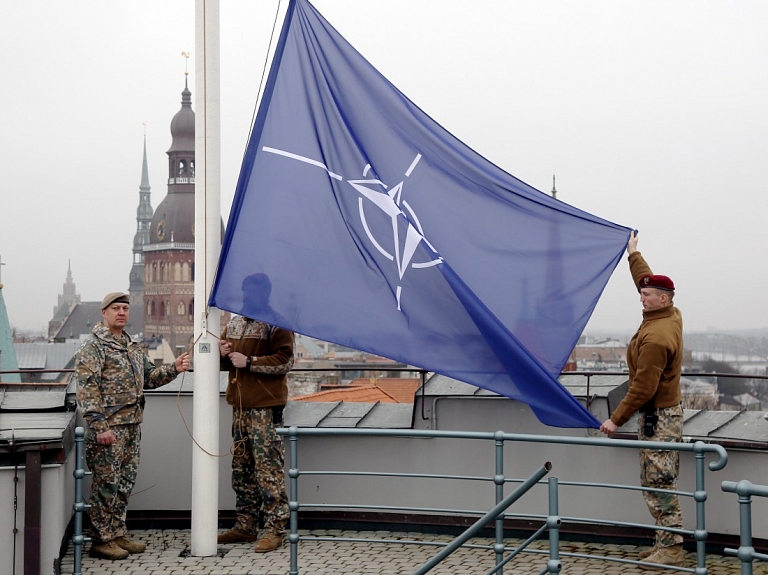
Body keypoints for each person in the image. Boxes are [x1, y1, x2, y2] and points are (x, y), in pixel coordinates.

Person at [75, 292, 191, 560]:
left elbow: (149, 378)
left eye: (125, 308)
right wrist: (99, 426)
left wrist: (173, 368)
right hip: (108, 429)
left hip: (131, 426)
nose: (121, 312)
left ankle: (117, 534)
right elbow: (87, 390)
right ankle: (101, 540)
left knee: (124, 483)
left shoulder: (131, 345)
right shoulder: (93, 347)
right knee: (106, 485)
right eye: (115, 308)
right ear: (103, 312)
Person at [600, 232, 685, 569]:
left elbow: (643, 388)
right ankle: (664, 541)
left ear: (663, 299)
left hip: (658, 418)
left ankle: (673, 548)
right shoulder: (668, 314)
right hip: (664, 414)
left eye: (647, 295)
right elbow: (646, 279)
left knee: (658, 481)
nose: (641, 298)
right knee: (658, 479)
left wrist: (616, 419)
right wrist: (633, 254)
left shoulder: (657, 336)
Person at [217, 273, 295, 553]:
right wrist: (221, 353)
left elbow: (286, 361)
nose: (250, 298)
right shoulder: (234, 324)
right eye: (246, 292)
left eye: (255, 293)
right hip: (239, 407)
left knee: (268, 470)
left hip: (265, 407)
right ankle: (245, 526)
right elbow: (224, 365)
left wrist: (250, 361)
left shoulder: (277, 323)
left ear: (266, 294)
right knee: (242, 470)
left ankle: (275, 529)